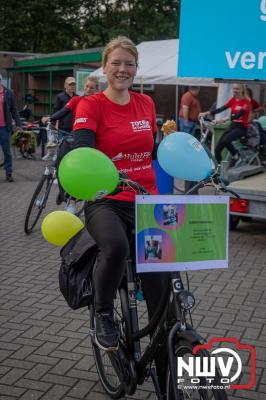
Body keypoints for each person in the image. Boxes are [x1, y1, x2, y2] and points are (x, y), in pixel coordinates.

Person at [73, 36, 170, 395]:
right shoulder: (91, 103)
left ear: (136, 68)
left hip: (146, 200)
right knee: (114, 248)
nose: (122, 69)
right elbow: (82, 144)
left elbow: (152, 150)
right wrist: (89, 167)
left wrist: (175, 148)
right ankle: (102, 315)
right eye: (116, 62)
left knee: (164, 293)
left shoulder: (145, 103)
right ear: (105, 66)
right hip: (106, 199)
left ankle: (168, 363)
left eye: (129, 63)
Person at [41, 76, 99, 207]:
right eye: (86, 86)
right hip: (74, 135)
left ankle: (76, 196)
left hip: (92, 138)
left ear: (96, 89)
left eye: (92, 87)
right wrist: (49, 118)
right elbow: (62, 112)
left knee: (81, 169)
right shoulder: (76, 99)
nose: (88, 89)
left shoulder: (99, 101)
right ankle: (64, 194)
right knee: (59, 162)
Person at [200, 83, 251, 164]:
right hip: (233, 126)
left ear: (242, 90)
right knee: (217, 150)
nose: (235, 90)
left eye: (237, 89)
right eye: (234, 88)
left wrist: (223, 120)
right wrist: (207, 113)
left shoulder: (246, 102)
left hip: (241, 128)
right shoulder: (233, 99)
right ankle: (219, 170)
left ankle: (235, 155)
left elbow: (238, 115)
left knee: (226, 140)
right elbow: (222, 108)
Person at [42, 76, 78, 161]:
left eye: (73, 85)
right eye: (70, 84)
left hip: (74, 128)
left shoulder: (77, 97)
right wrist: (51, 121)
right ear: (65, 85)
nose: (72, 86)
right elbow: (56, 111)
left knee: (73, 150)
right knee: (62, 149)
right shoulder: (60, 97)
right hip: (63, 128)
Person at [0, 74, 22, 182]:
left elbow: (14, 110)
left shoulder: (8, 93)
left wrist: (18, 124)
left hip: (4, 127)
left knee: (7, 151)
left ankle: (9, 173)